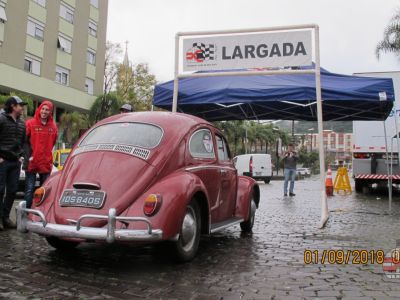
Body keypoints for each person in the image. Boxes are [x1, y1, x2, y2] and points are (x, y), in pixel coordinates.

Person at [24, 101, 58, 208]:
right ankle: (26, 214)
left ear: (50, 112)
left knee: (44, 191)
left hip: (46, 163)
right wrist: (27, 156)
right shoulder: (30, 124)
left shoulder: (53, 127)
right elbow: (24, 142)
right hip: (32, 162)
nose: (44, 111)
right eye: (43, 109)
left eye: (47, 110)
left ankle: (41, 214)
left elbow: (53, 143)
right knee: (29, 189)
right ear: (39, 109)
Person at [0, 96, 27, 230]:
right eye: (20, 105)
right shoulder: (1, 118)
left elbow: (23, 142)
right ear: (12, 106)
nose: (22, 107)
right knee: (0, 190)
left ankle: (5, 218)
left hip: (15, 162)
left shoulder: (22, 123)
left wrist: (20, 156)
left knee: (12, 191)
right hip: (2, 161)